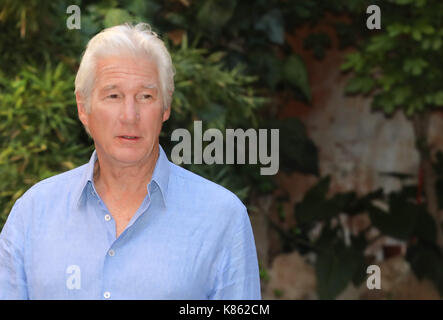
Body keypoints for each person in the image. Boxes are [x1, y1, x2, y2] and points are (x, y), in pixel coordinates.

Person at [0, 23, 261, 299]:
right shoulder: (32, 214)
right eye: (113, 96)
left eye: (145, 96)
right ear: (83, 107)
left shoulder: (222, 217)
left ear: (166, 106)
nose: (129, 115)